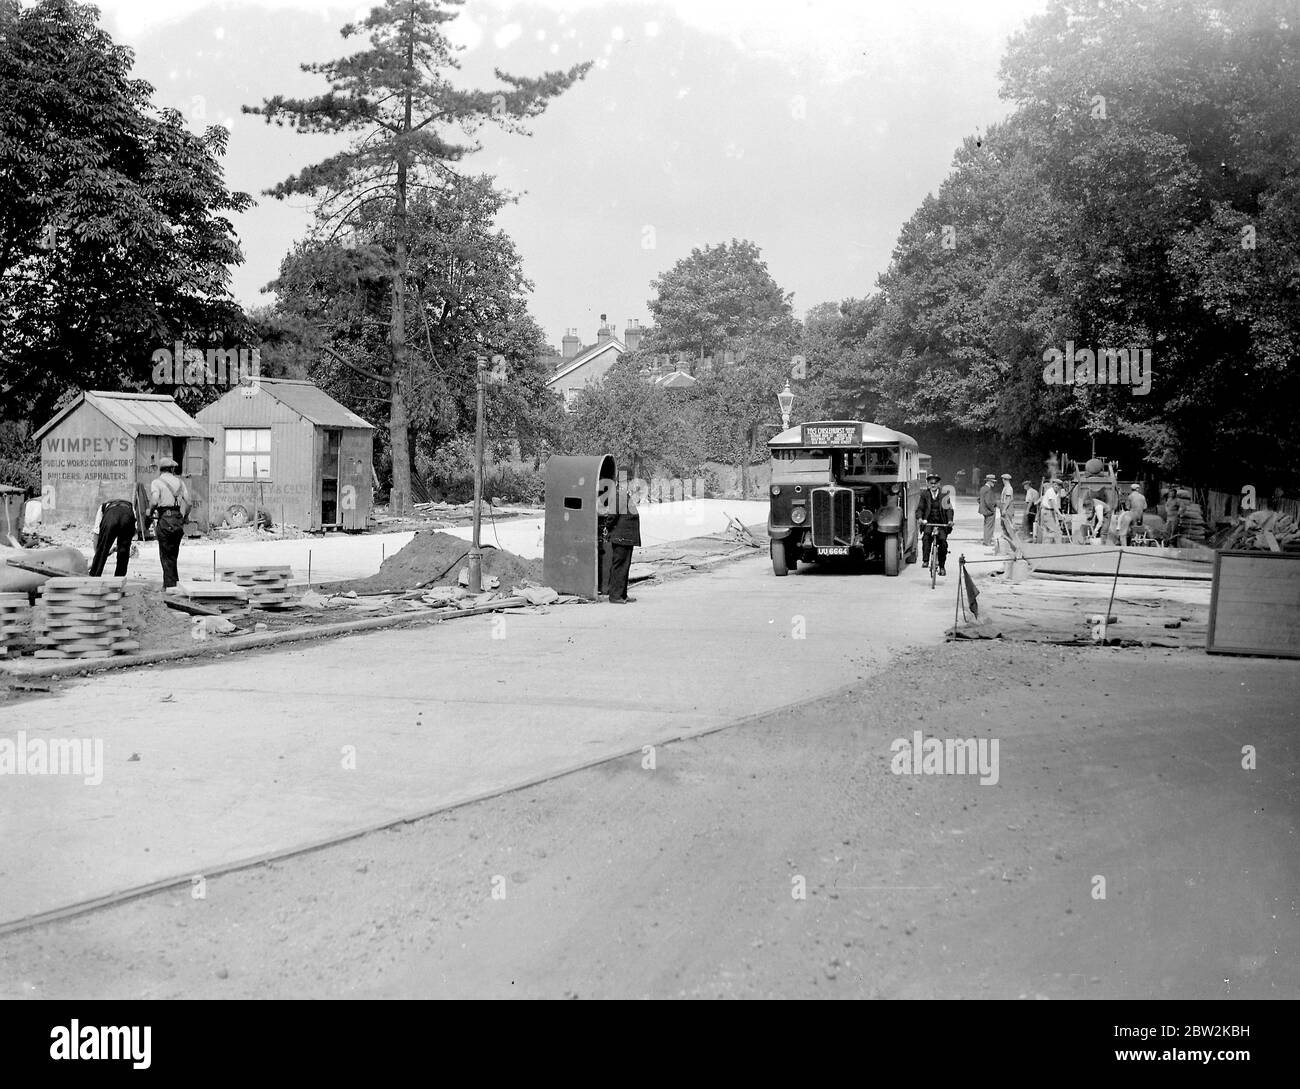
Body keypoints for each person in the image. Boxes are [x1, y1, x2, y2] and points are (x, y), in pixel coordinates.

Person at [147, 456, 191, 589]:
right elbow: (189, 503)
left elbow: (154, 501)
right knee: (173, 555)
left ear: (161, 469)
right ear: (172, 469)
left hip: (165, 520)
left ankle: (169, 588)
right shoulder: (180, 482)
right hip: (177, 519)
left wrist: (150, 511)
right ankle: (173, 584)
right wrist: (185, 517)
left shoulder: (156, 482)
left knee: (166, 556)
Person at [604, 474, 641, 604]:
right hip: (621, 537)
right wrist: (608, 527)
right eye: (631, 481)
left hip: (626, 538)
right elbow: (612, 516)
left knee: (624, 566)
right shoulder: (620, 495)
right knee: (619, 566)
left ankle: (622, 594)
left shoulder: (624, 495)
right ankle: (615, 596)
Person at [88, 497, 137, 578]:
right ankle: (119, 580)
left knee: (102, 549)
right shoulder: (131, 506)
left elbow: (96, 533)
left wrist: (97, 554)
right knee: (124, 552)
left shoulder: (102, 507)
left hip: (111, 517)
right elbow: (133, 531)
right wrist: (121, 545)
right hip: (127, 516)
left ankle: (94, 577)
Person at [916, 472, 951, 576]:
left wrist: (949, 520)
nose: (933, 485)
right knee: (926, 538)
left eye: (935, 483)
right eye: (931, 483)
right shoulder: (924, 494)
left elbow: (949, 509)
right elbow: (920, 508)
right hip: (929, 523)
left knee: (943, 543)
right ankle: (925, 560)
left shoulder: (944, 495)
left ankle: (942, 566)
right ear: (928, 484)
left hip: (941, 523)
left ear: (938, 484)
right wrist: (920, 518)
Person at [1039, 478, 1063, 543]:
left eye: (1059, 486)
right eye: (1056, 485)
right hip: (1047, 512)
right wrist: (1060, 514)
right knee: (1055, 530)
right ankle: (1058, 547)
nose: (1057, 487)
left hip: (1049, 511)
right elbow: (1053, 504)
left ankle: (1046, 547)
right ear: (1053, 485)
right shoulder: (1051, 492)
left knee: (1047, 531)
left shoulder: (1055, 492)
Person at [978, 473, 998, 546]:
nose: (994, 483)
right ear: (988, 481)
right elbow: (988, 502)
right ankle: (987, 542)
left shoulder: (982, 488)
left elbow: (979, 499)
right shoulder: (988, 489)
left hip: (984, 510)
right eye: (993, 482)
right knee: (989, 526)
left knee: (986, 525)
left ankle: (986, 540)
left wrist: (982, 506)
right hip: (989, 511)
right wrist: (992, 509)